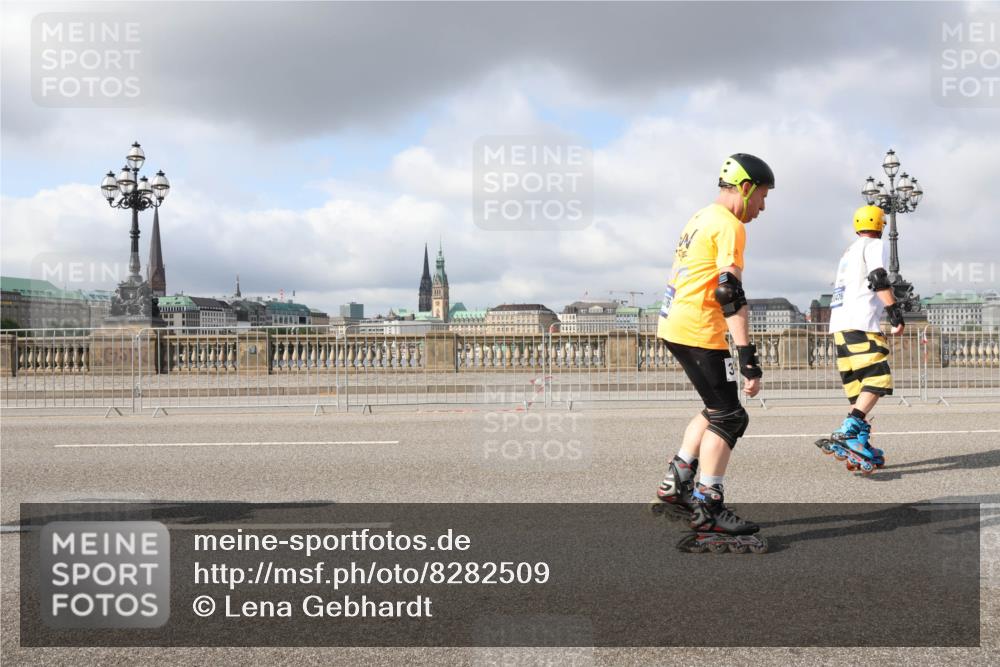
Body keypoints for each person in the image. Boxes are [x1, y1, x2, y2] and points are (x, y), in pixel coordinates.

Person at [651, 153, 772, 551]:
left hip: (675, 323)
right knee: (731, 417)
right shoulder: (730, 225)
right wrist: (747, 356)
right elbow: (728, 292)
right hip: (700, 330)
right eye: (762, 196)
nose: (763, 207)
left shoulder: (700, 216)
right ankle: (708, 505)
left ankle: (678, 481)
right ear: (746, 188)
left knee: (714, 406)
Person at [815, 205, 905, 474]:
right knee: (878, 379)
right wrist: (894, 312)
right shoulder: (873, 244)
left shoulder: (849, 251)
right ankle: (847, 433)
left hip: (840, 327)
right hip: (861, 324)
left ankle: (859, 444)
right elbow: (878, 277)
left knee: (859, 390)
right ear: (881, 225)